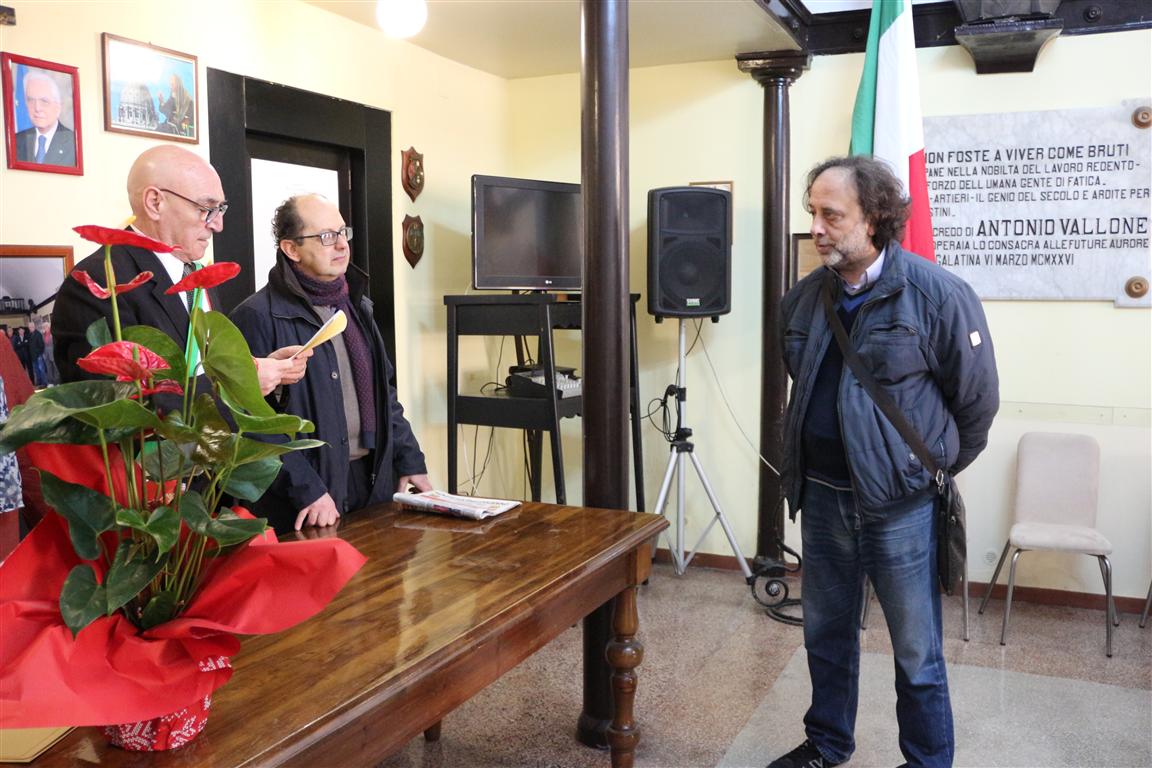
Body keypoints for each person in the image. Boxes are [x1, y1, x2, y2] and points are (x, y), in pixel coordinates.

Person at [770, 156, 999, 768]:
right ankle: (827, 744)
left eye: (831, 215)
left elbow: (975, 403)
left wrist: (922, 470)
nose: (816, 228)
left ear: (873, 218)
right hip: (822, 498)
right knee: (825, 635)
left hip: (901, 507)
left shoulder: (937, 295)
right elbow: (803, 380)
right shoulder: (802, 300)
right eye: (812, 213)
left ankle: (927, 761)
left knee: (916, 651)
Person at [230, 194, 431, 533]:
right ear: (291, 249)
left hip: (371, 482)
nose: (341, 245)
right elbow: (253, 425)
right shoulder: (257, 316)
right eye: (325, 236)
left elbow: (385, 395)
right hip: (306, 499)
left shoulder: (357, 307)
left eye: (342, 232)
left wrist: (410, 458)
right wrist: (307, 489)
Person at [52, 145, 308, 396]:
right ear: (155, 203)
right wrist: (239, 384)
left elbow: (204, 372)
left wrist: (263, 371)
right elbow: (116, 402)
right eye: (206, 209)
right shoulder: (100, 282)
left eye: (220, 209)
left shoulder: (195, 275)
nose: (218, 225)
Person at [14, 70, 76, 166]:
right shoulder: (16, 140)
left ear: (58, 106)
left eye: (44, 101)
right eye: (31, 100)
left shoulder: (74, 142)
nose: (37, 108)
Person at [25, 322, 45, 387]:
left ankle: (44, 383)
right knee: (36, 370)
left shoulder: (38, 334)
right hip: (33, 356)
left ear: (34, 326)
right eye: (29, 327)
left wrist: (38, 353)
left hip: (38, 356)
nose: (30, 328)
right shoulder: (30, 335)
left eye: (31, 327)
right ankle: (39, 382)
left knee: (41, 370)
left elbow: (41, 345)